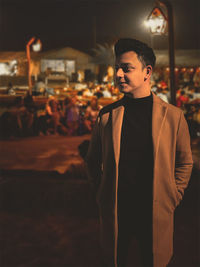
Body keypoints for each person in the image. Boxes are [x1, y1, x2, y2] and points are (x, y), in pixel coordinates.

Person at [85, 38, 193, 267]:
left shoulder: (173, 116)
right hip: (117, 210)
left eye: (127, 68)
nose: (119, 74)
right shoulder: (107, 115)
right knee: (115, 260)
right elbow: (92, 160)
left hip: (155, 210)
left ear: (147, 71)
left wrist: (174, 195)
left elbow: (184, 162)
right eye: (117, 68)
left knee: (154, 260)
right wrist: (101, 193)